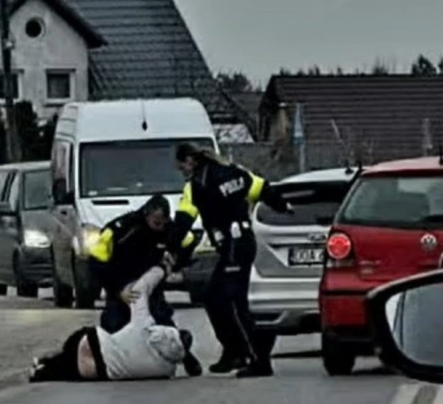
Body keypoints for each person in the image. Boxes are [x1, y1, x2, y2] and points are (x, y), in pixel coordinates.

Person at [166, 143, 293, 378]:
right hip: (243, 243)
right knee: (217, 299)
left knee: (231, 303)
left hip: (233, 246)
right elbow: (263, 188)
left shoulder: (197, 185)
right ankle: (234, 351)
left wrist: (169, 249)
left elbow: (183, 221)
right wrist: (283, 206)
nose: (181, 170)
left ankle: (256, 359)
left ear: (190, 161)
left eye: (181, 165)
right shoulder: (235, 172)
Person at [87, 194, 203, 376]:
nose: (160, 226)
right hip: (120, 283)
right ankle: (108, 365)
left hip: (150, 287)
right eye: (157, 222)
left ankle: (185, 355)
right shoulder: (122, 229)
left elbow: (188, 242)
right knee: (113, 327)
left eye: (164, 222)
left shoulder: (170, 230)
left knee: (163, 325)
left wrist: (175, 261)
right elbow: (96, 263)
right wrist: (118, 290)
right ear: (147, 214)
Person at [29, 266, 192, 382]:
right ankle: (43, 372)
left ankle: (45, 362)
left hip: (93, 344)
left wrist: (161, 268)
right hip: (101, 371)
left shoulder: (145, 328)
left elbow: (140, 289)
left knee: (78, 345)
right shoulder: (167, 370)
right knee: (71, 370)